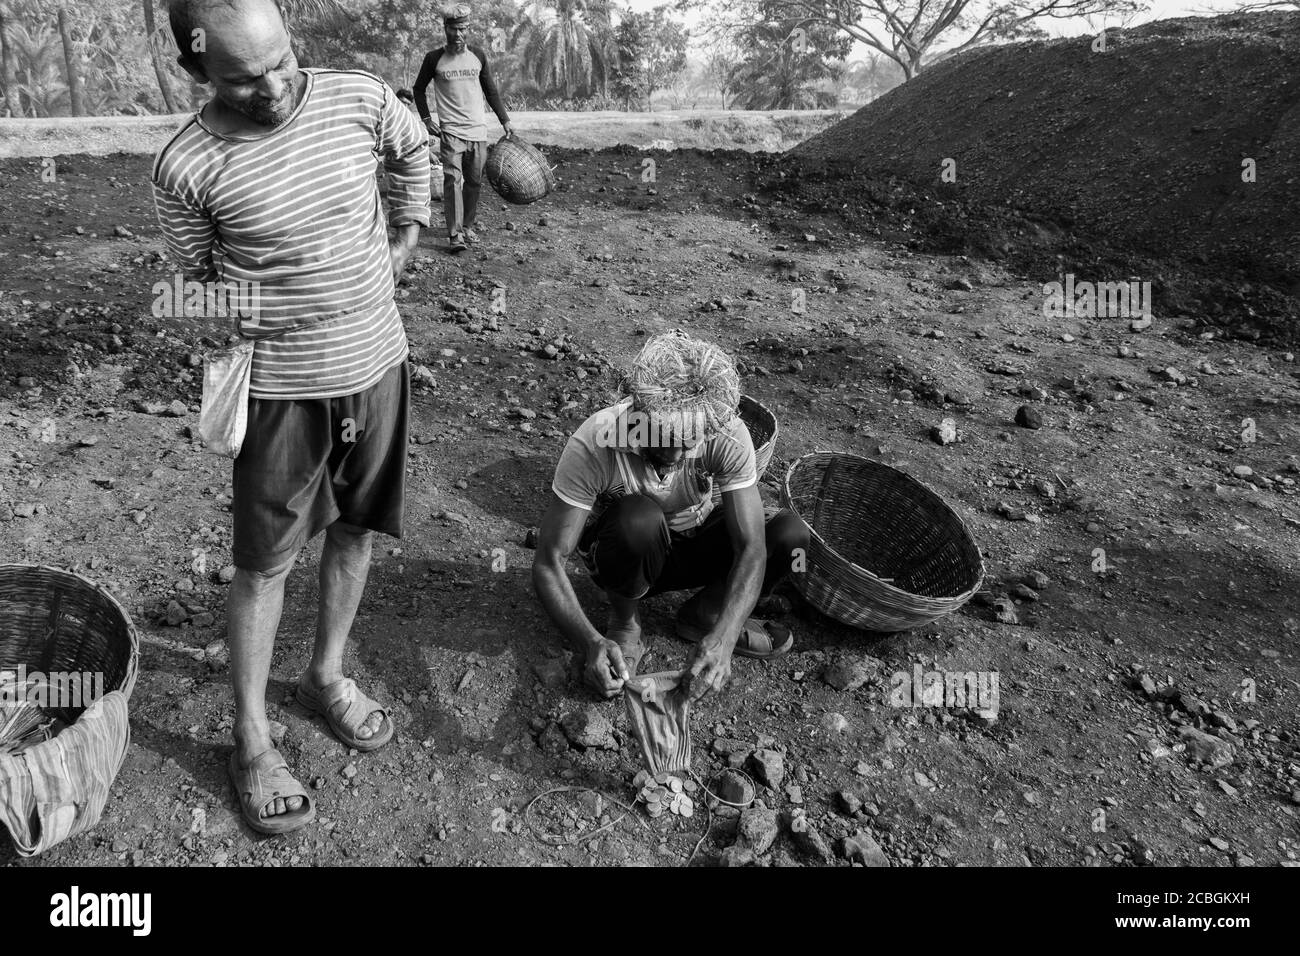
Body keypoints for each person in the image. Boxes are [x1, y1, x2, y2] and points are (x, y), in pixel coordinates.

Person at [151, 0, 429, 835]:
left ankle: (327, 675)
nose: (274, 86)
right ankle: (251, 738)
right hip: (280, 395)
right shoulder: (185, 165)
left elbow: (412, 147)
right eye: (244, 77)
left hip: (377, 368)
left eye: (281, 62)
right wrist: (257, 304)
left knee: (355, 532)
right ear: (196, 69)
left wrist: (407, 234)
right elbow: (190, 286)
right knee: (264, 564)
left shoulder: (357, 97)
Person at [532, 332, 809, 703]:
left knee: (789, 532)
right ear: (639, 413)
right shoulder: (597, 440)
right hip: (627, 554)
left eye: (689, 441)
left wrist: (726, 639)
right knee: (638, 518)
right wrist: (589, 643)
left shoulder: (724, 431)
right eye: (666, 438)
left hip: (693, 542)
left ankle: (707, 617)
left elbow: (751, 548)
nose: (678, 455)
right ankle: (625, 625)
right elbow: (549, 561)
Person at [413, 3, 513, 253]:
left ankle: (467, 226)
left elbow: (491, 90)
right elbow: (418, 89)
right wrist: (426, 120)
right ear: (445, 28)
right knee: (452, 180)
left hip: (478, 132)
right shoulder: (434, 58)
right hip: (452, 133)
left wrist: (505, 121)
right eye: (454, 29)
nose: (459, 34)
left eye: (463, 29)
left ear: (468, 29)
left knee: (474, 183)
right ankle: (454, 235)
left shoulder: (478, 55)